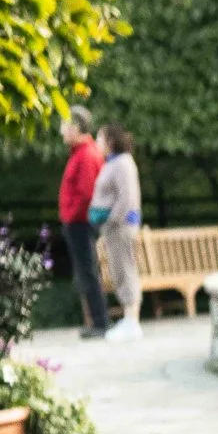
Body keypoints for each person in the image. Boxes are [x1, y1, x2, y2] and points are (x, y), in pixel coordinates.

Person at [56, 107, 111, 337]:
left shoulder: (86, 154)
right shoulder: (80, 152)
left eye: (65, 126)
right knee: (86, 271)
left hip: (80, 222)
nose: (61, 131)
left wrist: (71, 216)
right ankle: (97, 322)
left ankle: (100, 323)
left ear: (76, 128)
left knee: (87, 270)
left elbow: (87, 194)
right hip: (77, 221)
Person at [89, 122, 144, 341]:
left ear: (110, 141)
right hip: (113, 228)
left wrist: (112, 220)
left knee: (125, 270)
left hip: (120, 227)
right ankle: (129, 318)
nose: (97, 142)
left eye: (99, 138)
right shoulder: (112, 163)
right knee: (119, 270)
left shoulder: (122, 164)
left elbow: (126, 198)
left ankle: (132, 321)